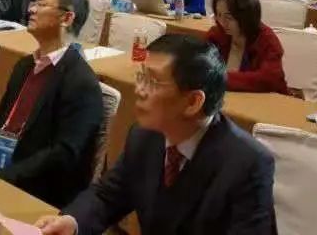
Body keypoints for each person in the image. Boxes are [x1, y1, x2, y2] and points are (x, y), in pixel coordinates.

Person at [36, 34, 275, 235]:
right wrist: (73, 222)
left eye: (152, 82)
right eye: (141, 76)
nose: (139, 90)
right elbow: (107, 196)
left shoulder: (247, 164)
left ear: (193, 102)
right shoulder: (144, 136)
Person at [0, 0, 103, 208]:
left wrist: (4, 178)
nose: (31, 9)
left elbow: (64, 154)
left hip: (36, 193)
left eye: (41, 5)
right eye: (33, 3)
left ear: (67, 18)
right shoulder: (24, 65)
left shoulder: (81, 82)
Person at [206, 0, 287, 94]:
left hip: (266, 100)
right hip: (226, 99)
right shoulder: (216, 34)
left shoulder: (267, 39)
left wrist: (219, 79)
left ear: (246, 15)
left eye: (229, 17)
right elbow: (202, 67)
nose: (222, 22)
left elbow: (268, 79)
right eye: (218, 15)